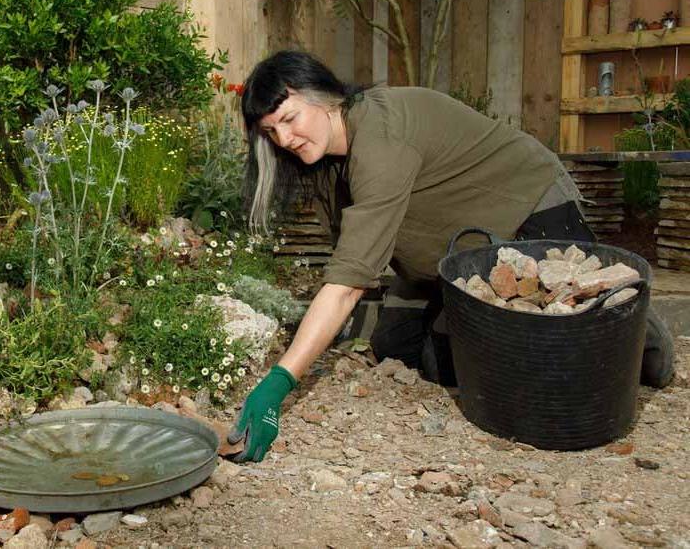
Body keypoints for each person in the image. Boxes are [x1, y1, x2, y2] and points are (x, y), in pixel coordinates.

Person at [226, 50, 675, 463]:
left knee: (569, 359)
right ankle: (474, 316)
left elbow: (347, 284)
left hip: (524, 208)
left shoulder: (381, 137)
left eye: (289, 118)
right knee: (400, 348)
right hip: (459, 251)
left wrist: (278, 384)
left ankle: (638, 325)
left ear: (323, 97)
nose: (284, 138)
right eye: (271, 131)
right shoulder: (327, 162)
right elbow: (357, 254)